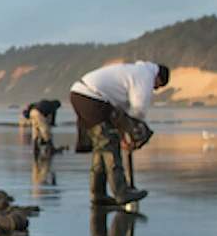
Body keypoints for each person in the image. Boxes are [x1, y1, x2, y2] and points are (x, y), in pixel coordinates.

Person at [70, 62, 167, 207]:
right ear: (158, 77)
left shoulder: (133, 73)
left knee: (101, 147)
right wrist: (134, 134)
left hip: (81, 94)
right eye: (157, 86)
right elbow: (139, 110)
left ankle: (98, 194)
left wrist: (124, 136)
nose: (154, 89)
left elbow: (118, 117)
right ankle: (121, 192)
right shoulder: (145, 75)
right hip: (92, 97)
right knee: (109, 146)